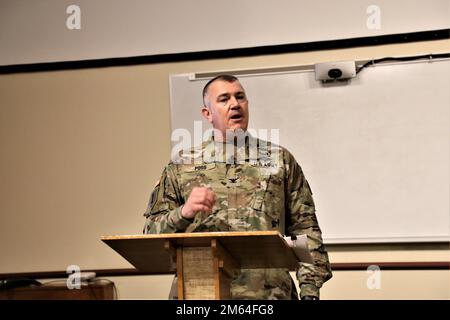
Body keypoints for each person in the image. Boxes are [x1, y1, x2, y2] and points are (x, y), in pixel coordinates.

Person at [143, 74, 332, 300]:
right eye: (224, 99)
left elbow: (306, 231)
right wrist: (184, 213)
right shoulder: (182, 165)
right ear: (207, 114)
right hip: (201, 294)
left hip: (268, 295)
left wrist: (310, 292)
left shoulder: (279, 160)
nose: (235, 104)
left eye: (240, 97)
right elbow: (150, 233)